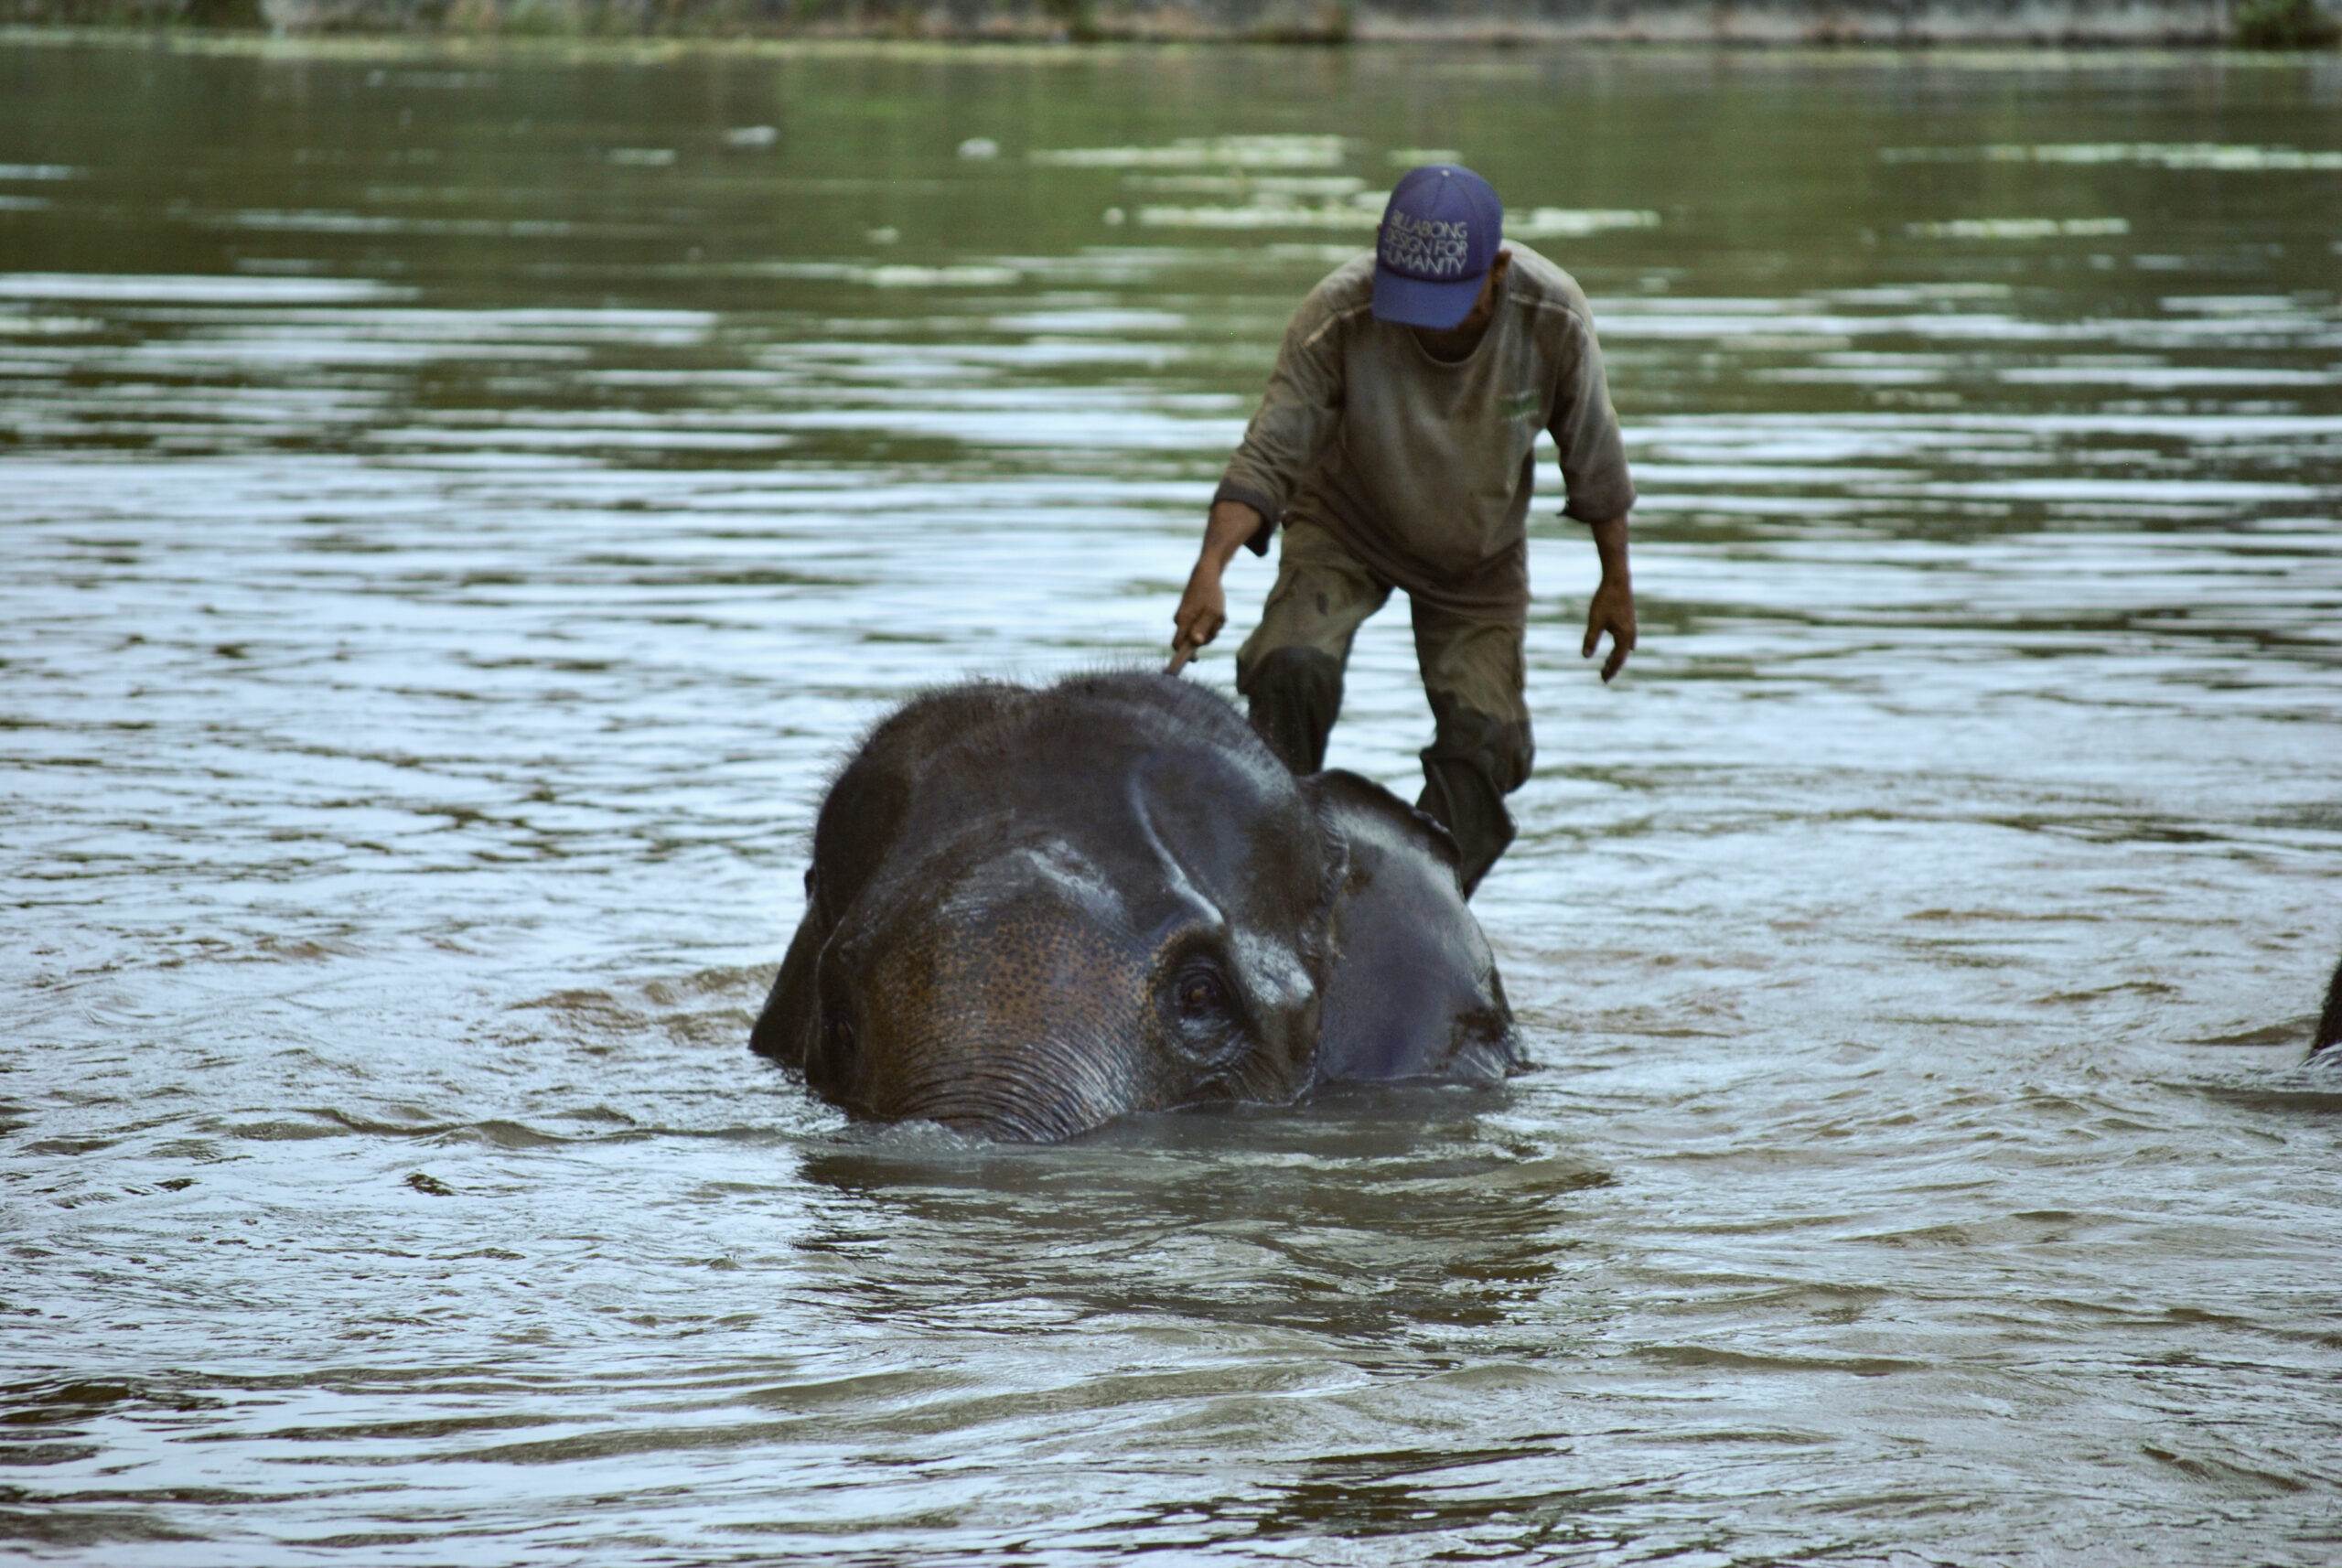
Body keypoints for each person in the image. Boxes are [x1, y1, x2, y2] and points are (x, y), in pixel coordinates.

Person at [1168, 163, 1638, 897]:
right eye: (1411, 300)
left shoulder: (1553, 319)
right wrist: (1211, 568)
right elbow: (1269, 451)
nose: (1425, 320)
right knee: (1292, 669)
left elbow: (1596, 461)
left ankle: (1400, 902)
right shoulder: (1340, 312)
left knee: (1488, 746)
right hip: (1344, 524)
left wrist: (1616, 581)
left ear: (1498, 271)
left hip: (1475, 555)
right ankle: (1268, 879)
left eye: (1448, 302)